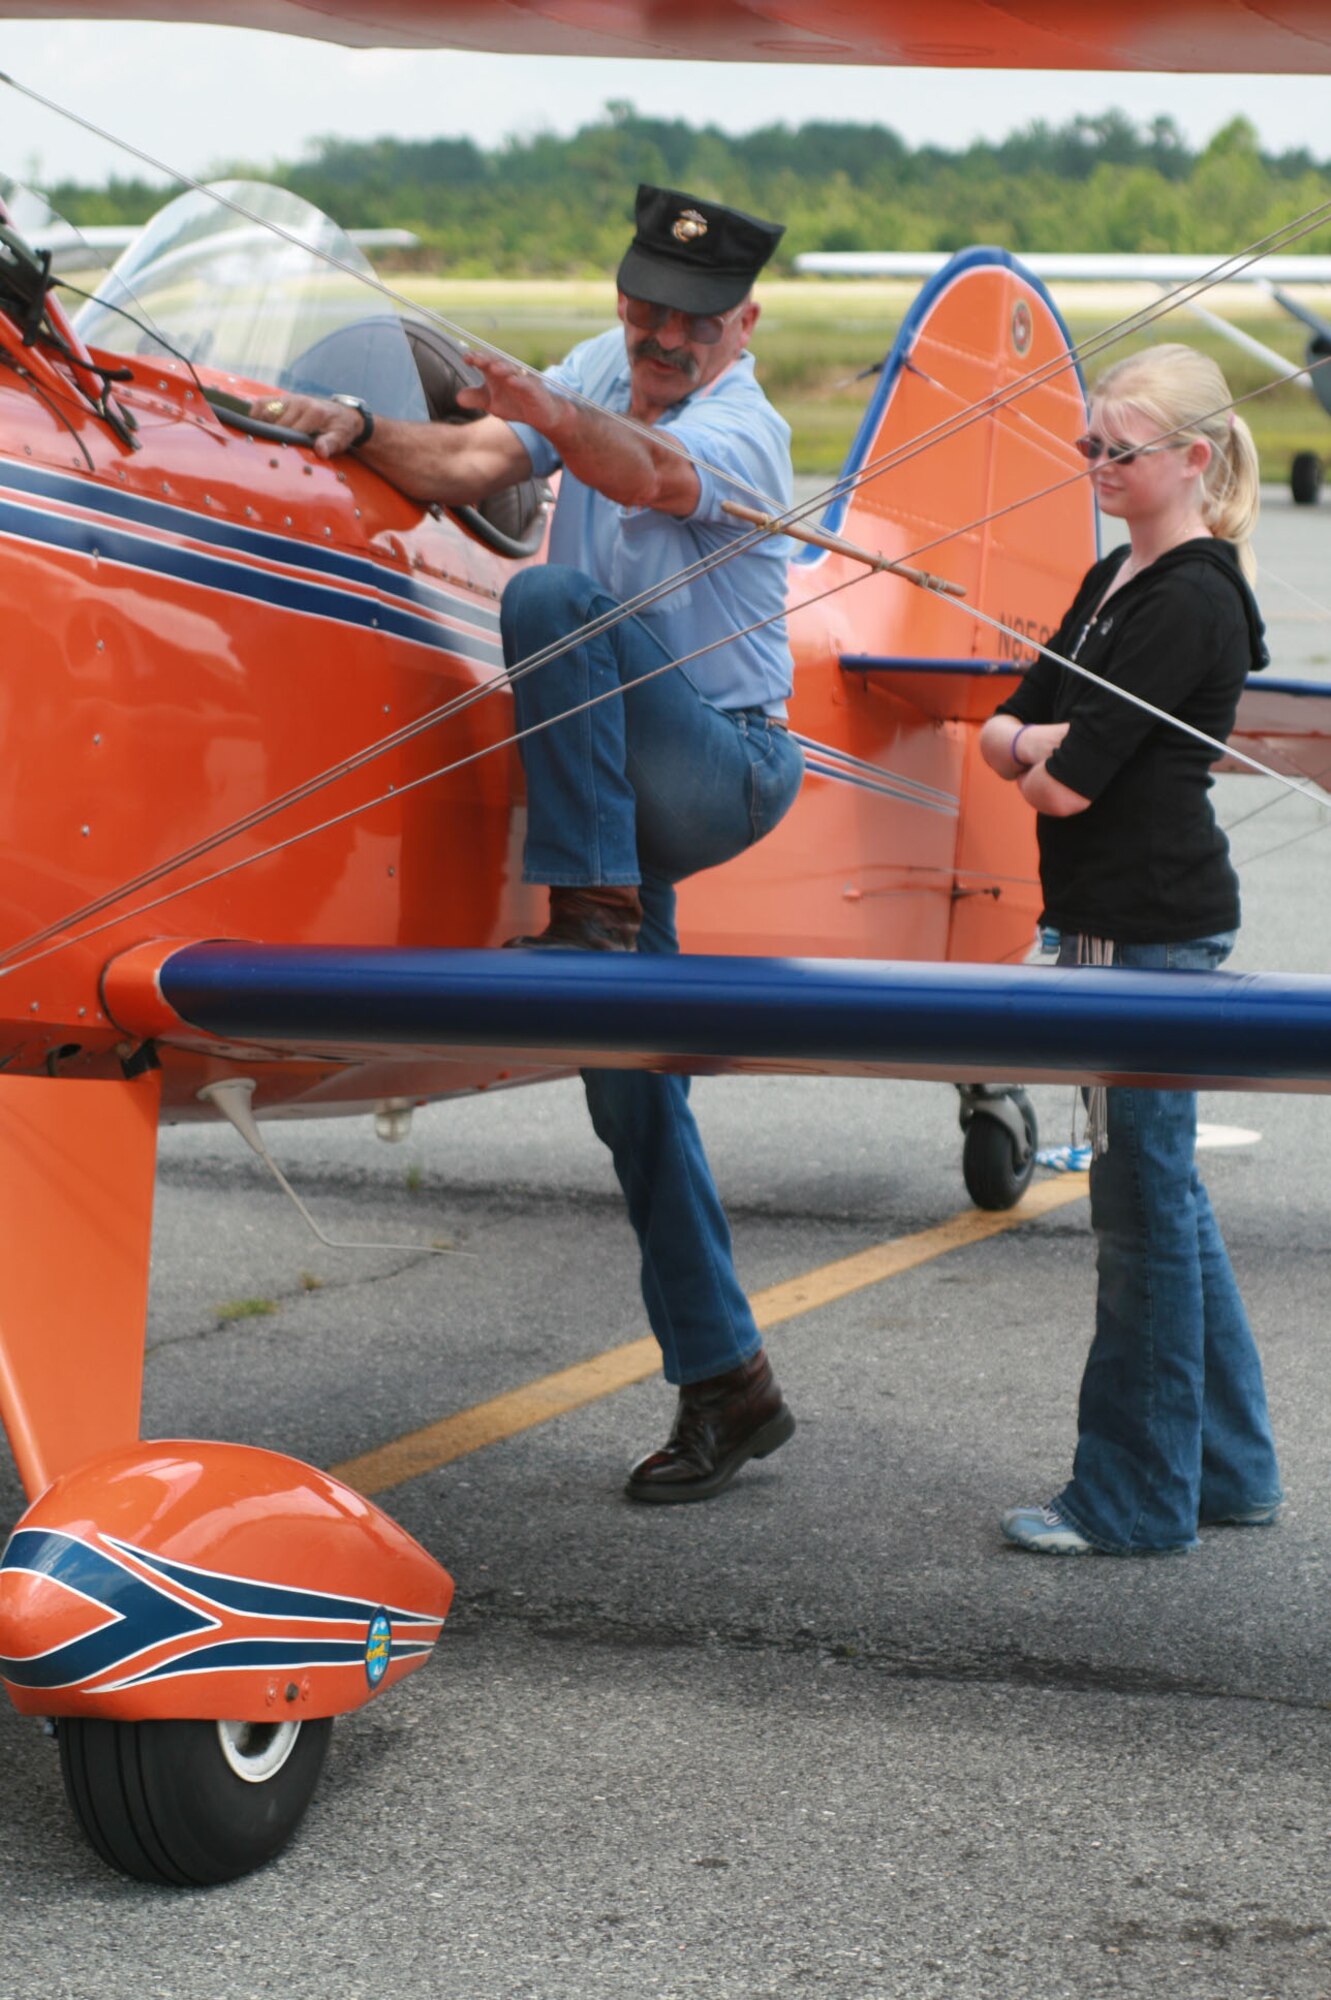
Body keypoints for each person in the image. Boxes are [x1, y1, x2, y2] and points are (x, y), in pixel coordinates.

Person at [255, 185, 805, 1504]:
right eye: (641, 306)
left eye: (688, 320)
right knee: (628, 1093)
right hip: (621, 781)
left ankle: (590, 911)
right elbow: (473, 465)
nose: (657, 334)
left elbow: (641, 471)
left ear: (741, 323)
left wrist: (552, 410)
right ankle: (728, 1383)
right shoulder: (599, 370)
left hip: (721, 769)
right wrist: (361, 431)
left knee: (555, 595)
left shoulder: (747, 429)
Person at [978, 343, 1283, 1556]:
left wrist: (1033, 746)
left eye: (1122, 448)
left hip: (1148, 930)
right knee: (1164, 1200)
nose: (1097, 465)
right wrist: (1033, 742)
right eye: (1087, 446)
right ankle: (1229, 1468)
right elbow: (1008, 719)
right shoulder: (1116, 574)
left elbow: (1057, 783)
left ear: (1192, 459)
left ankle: (1132, 1494)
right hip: (1110, 924)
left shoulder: (1190, 596)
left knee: (1139, 1212)